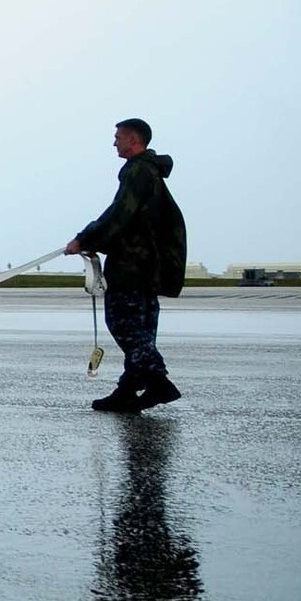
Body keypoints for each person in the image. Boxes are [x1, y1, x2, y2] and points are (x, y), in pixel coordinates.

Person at [66, 118, 186, 412]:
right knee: (141, 329)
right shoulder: (149, 173)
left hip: (134, 266)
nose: (114, 142)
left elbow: (121, 213)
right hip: (149, 267)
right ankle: (128, 389)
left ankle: (158, 381)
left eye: (118, 137)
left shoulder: (137, 171)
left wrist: (84, 239)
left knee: (124, 324)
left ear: (134, 140)